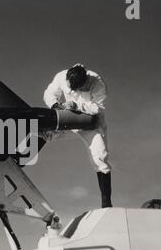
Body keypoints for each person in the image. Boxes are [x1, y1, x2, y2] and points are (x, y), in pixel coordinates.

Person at [43, 63, 112, 208]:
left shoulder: (97, 83)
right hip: (68, 119)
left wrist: (78, 106)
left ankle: (106, 204)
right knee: (47, 133)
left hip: (91, 123)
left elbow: (97, 108)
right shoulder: (61, 75)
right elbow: (49, 94)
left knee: (100, 158)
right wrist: (57, 106)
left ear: (84, 83)